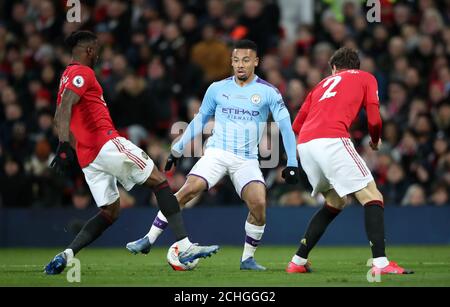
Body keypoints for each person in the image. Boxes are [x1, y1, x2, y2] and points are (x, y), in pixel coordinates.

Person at [44, 31, 219, 275]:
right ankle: (184, 245)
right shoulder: (83, 73)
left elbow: (58, 115)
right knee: (159, 181)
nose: (99, 54)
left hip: (88, 157)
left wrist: (74, 147)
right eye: (97, 49)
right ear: (90, 50)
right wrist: (63, 145)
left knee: (110, 211)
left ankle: (66, 254)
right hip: (106, 143)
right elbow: (65, 108)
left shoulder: (65, 76)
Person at [126, 39, 300, 271]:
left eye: (246, 60)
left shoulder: (268, 92)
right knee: (188, 190)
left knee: (259, 204)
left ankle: (247, 259)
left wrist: (293, 162)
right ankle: (149, 238)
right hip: (216, 152)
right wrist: (177, 149)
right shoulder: (217, 88)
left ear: (256, 62)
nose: (240, 65)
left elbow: (286, 127)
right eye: (236, 60)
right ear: (231, 61)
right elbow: (199, 120)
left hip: (246, 159)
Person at [287, 47, 413, 275]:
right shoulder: (366, 78)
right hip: (332, 140)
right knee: (373, 196)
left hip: (305, 145)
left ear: (334, 67)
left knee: (336, 201)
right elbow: (374, 120)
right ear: (357, 66)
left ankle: (298, 261)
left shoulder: (320, 85)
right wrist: (375, 141)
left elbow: (295, 126)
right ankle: (381, 264)